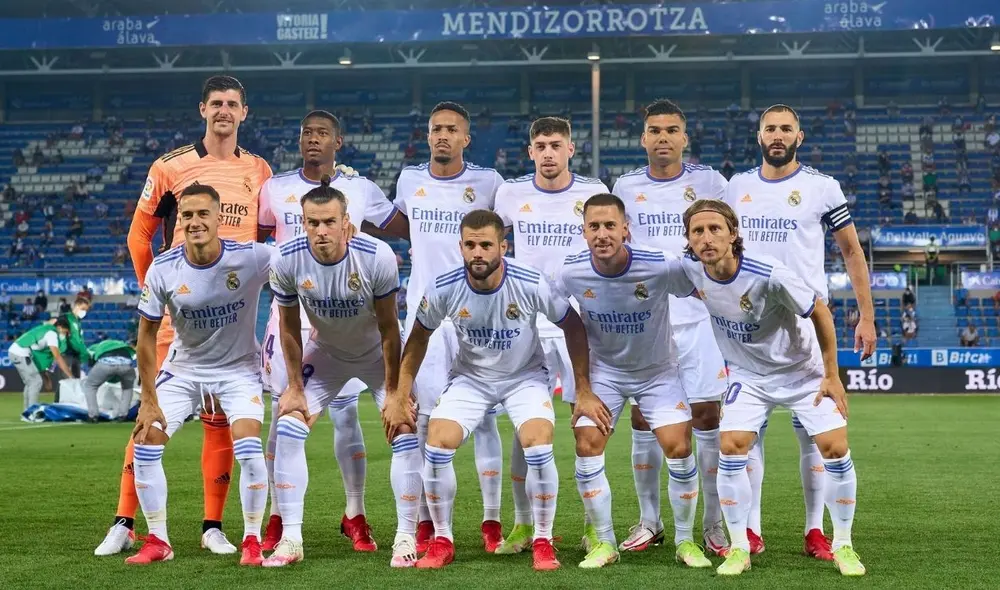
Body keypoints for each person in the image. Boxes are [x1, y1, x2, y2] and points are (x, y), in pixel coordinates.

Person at [99, 75, 272, 557]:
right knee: (149, 415)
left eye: (232, 103)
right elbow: (139, 236)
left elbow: (264, 242)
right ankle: (124, 522)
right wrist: (156, 296)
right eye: (216, 103)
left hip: (232, 318)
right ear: (203, 110)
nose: (223, 111)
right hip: (180, 315)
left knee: (220, 422)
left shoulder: (259, 170)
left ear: (244, 112)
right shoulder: (169, 166)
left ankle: (212, 526)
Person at [387, 210, 606, 571]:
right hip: (470, 379)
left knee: (538, 444)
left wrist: (583, 388)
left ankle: (543, 540)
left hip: (524, 377)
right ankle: (442, 540)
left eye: (486, 245)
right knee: (437, 444)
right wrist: (399, 395)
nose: (478, 253)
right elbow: (418, 339)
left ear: (503, 247)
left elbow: (572, 325)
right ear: (460, 246)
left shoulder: (530, 282)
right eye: (470, 245)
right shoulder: (443, 286)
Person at [680, 199, 865, 577]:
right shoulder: (690, 270)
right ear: (688, 239)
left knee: (834, 448)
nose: (706, 237)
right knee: (731, 446)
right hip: (748, 376)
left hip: (802, 372)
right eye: (697, 231)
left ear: (733, 234)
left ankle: (844, 544)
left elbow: (820, 311)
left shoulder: (769, 274)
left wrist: (831, 375)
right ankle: (739, 548)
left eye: (715, 229)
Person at [723, 104, 875, 559]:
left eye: (785, 128)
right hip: (747, 328)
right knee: (746, 435)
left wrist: (866, 316)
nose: (777, 135)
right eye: (770, 128)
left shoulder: (822, 188)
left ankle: (815, 529)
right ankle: (751, 530)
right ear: (759, 136)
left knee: (814, 435)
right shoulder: (737, 188)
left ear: (799, 136)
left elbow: (851, 252)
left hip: (807, 324)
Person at [256, 110, 408, 553]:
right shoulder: (274, 188)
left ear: (337, 141)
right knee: (284, 414)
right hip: (294, 309)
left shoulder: (360, 189)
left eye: (322, 133)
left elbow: (404, 226)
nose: (313, 139)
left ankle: (355, 513)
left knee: (346, 417)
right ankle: (278, 516)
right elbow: (258, 239)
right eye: (306, 132)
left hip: (351, 310)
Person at [556, 194, 712, 569]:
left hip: (657, 372)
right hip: (604, 373)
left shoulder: (659, 265)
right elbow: (565, 322)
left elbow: (705, 291)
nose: (602, 234)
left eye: (610, 225)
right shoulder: (571, 272)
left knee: (678, 446)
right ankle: (604, 542)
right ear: (583, 231)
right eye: (594, 226)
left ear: (625, 229)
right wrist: (583, 388)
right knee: (587, 442)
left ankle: (685, 540)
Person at [127, 183, 273, 566]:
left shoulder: (252, 257)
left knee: (248, 448)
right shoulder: (164, 268)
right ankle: (158, 540)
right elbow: (145, 337)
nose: (194, 222)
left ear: (218, 217)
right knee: (146, 443)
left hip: (238, 370)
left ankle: (252, 540)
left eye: (202, 214)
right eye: (187, 215)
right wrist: (148, 399)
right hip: (184, 370)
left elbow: (298, 259)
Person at [611, 98, 730, 555]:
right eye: (655, 131)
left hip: (700, 318)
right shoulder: (626, 185)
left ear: (685, 138)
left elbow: (726, 238)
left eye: (671, 130)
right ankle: (650, 521)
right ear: (644, 138)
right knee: (644, 417)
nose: (663, 138)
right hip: (648, 319)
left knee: (707, 417)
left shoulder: (710, 182)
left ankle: (714, 525)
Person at [392, 102, 507, 553]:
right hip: (425, 315)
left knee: (484, 418)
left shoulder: (489, 183)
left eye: (452, 129)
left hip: (477, 313)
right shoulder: (409, 180)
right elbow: (402, 227)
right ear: (427, 135)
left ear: (466, 138)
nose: (443, 135)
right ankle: (426, 520)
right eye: (436, 128)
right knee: (423, 419)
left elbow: (501, 239)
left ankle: (492, 521)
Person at [493, 116, 610, 554]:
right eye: (540, 145)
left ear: (570, 149)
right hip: (527, 322)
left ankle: (594, 527)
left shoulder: (593, 191)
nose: (547, 153)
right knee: (525, 427)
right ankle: (523, 525)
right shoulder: (511, 193)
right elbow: (491, 238)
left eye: (555, 144)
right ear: (530, 152)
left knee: (587, 423)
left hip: (581, 323)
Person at [9, 317, 73, 418]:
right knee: (36, 382)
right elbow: (58, 357)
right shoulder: (52, 334)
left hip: (17, 351)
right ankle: (32, 413)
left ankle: (26, 412)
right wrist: (70, 375)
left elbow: (41, 361)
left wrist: (46, 377)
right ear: (60, 327)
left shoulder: (47, 330)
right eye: (65, 332)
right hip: (21, 353)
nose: (65, 335)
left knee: (30, 383)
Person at [83, 338, 136, 421]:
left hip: (106, 363)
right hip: (126, 365)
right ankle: (123, 415)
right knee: (127, 388)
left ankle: (93, 415)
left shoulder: (94, 347)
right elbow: (132, 356)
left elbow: (90, 360)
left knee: (89, 386)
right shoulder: (121, 344)